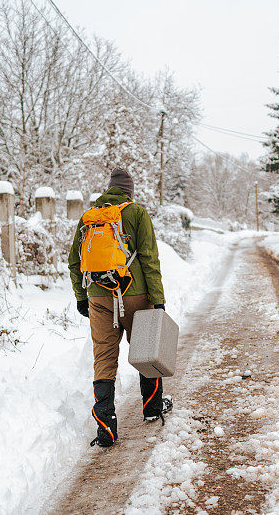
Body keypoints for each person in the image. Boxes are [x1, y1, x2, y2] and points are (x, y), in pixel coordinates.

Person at [68, 168, 170, 448]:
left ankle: (105, 428)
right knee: (146, 349)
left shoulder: (89, 217)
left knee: (103, 357)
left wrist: (81, 296)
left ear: (109, 189)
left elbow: (74, 262)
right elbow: (149, 258)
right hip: (135, 292)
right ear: (130, 191)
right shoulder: (136, 213)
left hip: (98, 296)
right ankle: (152, 409)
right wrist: (157, 298)